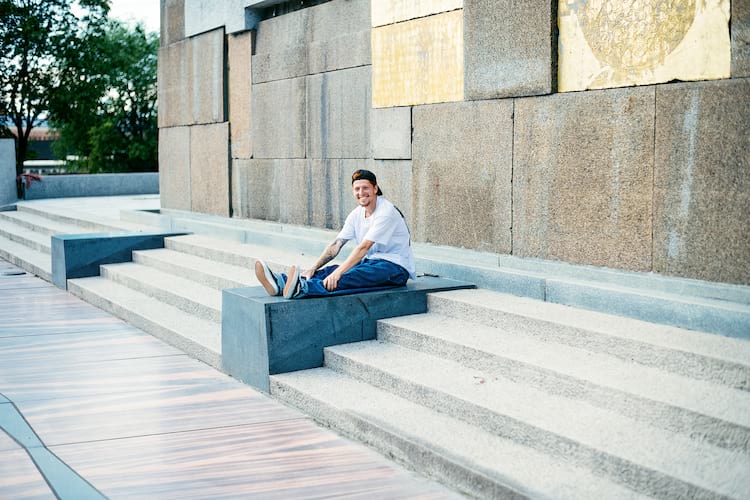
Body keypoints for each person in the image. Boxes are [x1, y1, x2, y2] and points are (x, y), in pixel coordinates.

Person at [255, 169, 415, 299]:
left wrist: (338, 274)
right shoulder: (356, 214)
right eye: (357, 189)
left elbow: (364, 247)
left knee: (350, 275)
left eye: (365, 188)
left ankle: (301, 288)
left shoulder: (386, 212)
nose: (361, 192)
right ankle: (281, 283)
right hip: (371, 262)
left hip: (395, 269)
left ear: (375, 189)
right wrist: (313, 268)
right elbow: (336, 245)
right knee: (330, 270)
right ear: (353, 191)